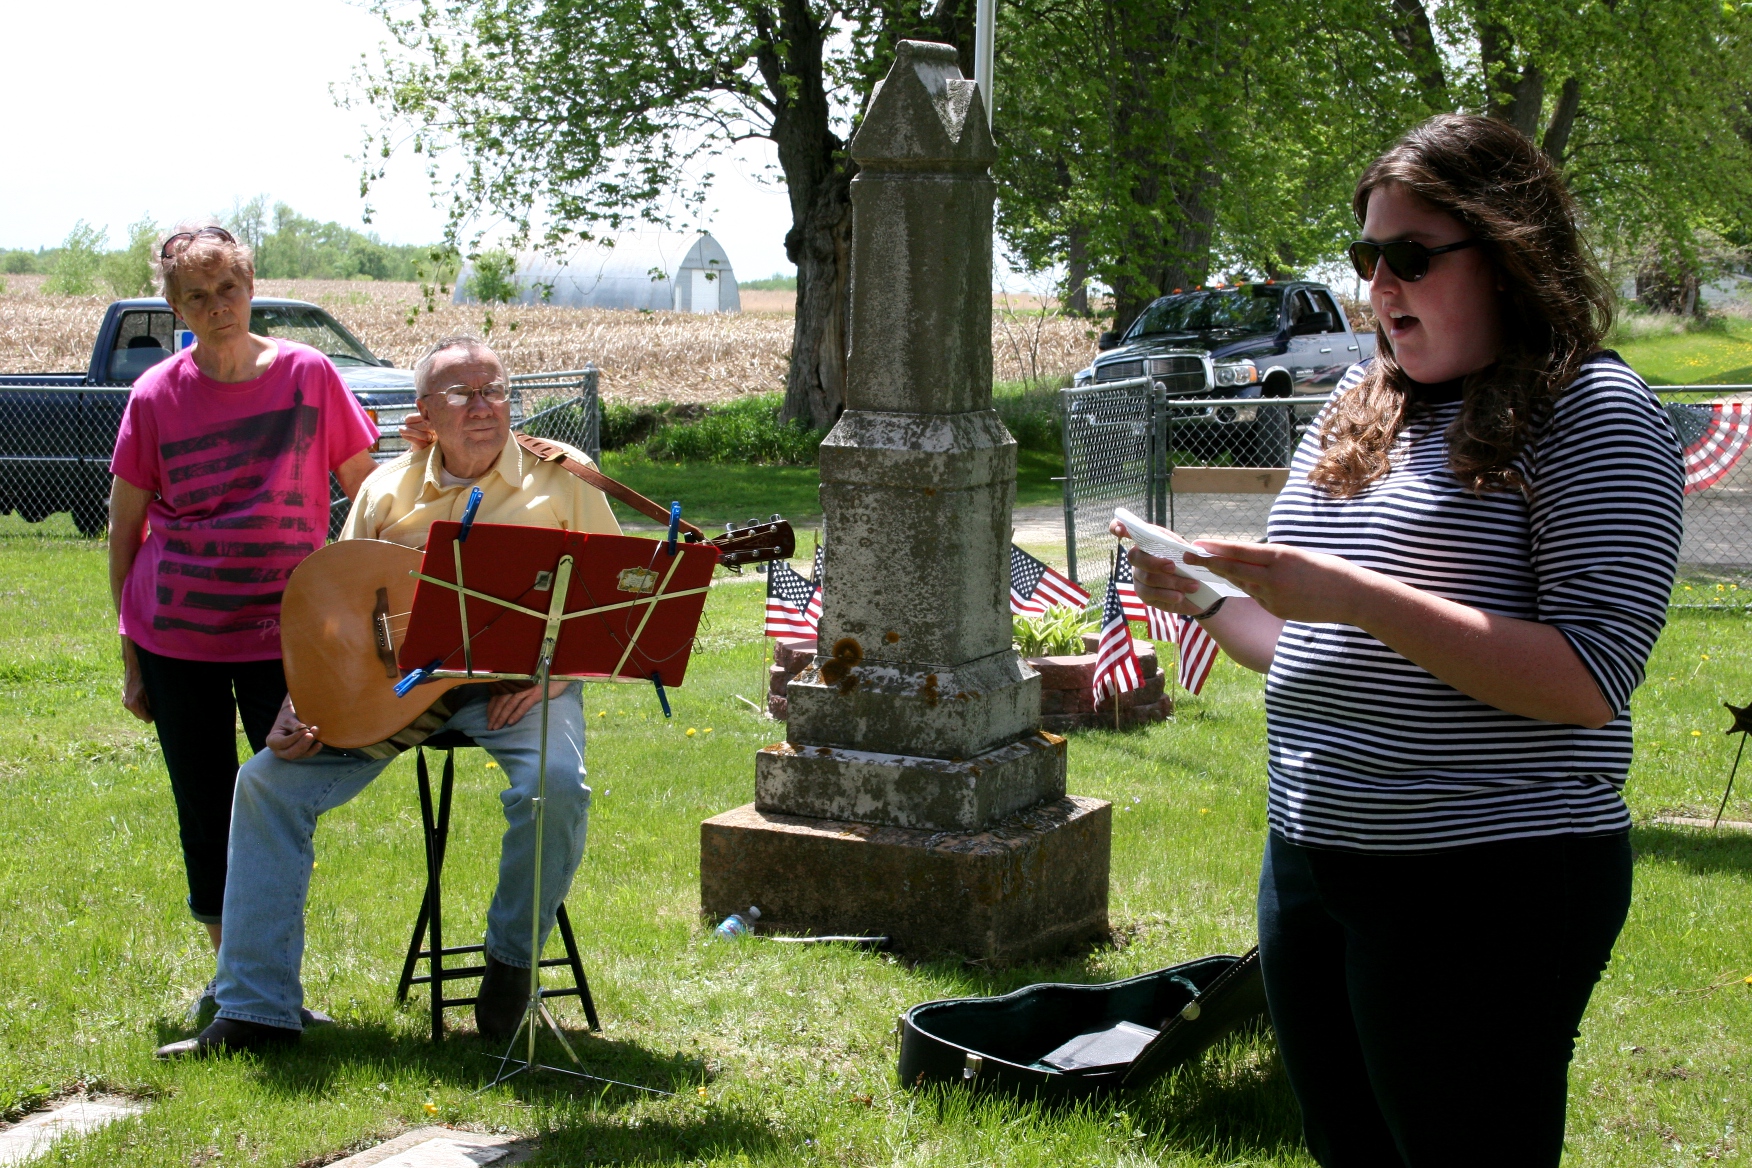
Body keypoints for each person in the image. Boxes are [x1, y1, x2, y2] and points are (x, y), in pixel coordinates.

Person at [1118, 115, 1682, 1167]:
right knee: (1349, 1149)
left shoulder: (1593, 410)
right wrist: (1204, 599)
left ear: (1509, 255)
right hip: (1313, 861)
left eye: (1412, 257)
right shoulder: (1358, 399)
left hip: (1492, 879)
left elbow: (1588, 678)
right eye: (1367, 256)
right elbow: (1297, 643)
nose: (1379, 286)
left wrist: (1359, 596)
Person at [156, 335, 620, 1058]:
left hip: (521, 688)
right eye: (461, 394)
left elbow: (616, 607)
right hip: (396, 689)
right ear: (424, 413)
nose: (482, 406)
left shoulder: (565, 480)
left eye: (494, 390)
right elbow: (333, 608)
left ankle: (510, 963)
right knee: (265, 783)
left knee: (556, 785)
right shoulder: (385, 489)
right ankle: (255, 1010)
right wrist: (303, 700)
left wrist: (552, 678)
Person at [109, 221, 379, 1003]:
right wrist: (130, 656)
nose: (217, 305)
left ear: (251, 287)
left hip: (286, 634)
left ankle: (267, 978)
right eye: (196, 296)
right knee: (204, 805)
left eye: (228, 288)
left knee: (281, 800)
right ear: (175, 308)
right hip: (177, 636)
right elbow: (124, 531)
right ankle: (236, 982)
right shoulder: (154, 397)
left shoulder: (309, 375)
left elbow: (369, 492)